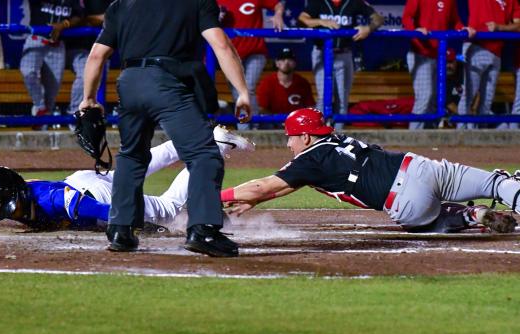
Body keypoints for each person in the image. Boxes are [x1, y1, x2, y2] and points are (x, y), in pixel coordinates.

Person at [80, 0, 252, 257]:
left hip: (129, 82)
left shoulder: (120, 5)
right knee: (203, 154)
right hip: (167, 82)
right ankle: (203, 230)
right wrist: (242, 92)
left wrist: (89, 99)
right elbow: (221, 45)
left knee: (131, 156)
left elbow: (96, 55)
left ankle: (120, 230)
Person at [222, 108, 520, 235]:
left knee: (422, 223)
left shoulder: (309, 160)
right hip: (422, 166)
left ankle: (469, 216)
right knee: (497, 182)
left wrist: (215, 193)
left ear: (306, 137)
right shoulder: (335, 139)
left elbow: (263, 185)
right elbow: (285, 186)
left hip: (406, 200)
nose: (288, 142)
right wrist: (257, 201)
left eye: (291, 136)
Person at [0, 127, 255, 230]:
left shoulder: (59, 202)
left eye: (11, 206)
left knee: (168, 209)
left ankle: (212, 151)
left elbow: (111, 215)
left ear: (21, 192)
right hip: (82, 179)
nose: (9, 212)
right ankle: (205, 136)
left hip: (94, 197)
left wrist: (149, 228)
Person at [298, 0, 384, 130]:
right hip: (322, 53)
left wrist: (369, 28)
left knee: (342, 100)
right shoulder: (319, 3)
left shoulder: (354, 2)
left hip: (344, 54)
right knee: (323, 98)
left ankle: (337, 135)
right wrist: (321, 21)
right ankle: (318, 134)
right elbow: (303, 18)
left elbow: (378, 18)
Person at [402, 0, 473, 130]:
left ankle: (429, 136)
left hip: (439, 56)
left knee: (435, 100)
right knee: (424, 97)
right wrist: (415, 32)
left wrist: (462, 28)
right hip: (420, 53)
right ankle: (413, 137)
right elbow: (407, 18)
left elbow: (455, 21)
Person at [217, 0, 285, 130]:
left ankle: (251, 127)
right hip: (230, 55)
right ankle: (246, 128)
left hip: (256, 52)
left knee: (248, 88)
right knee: (238, 91)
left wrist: (278, 14)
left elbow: (278, 4)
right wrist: (215, 16)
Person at [21, 0, 83, 130]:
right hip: (36, 40)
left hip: (56, 46)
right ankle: (39, 106)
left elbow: (79, 15)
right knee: (28, 71)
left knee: (51, 93)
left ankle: (42, 131)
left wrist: (64, 24)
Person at [457, 0, 520, 129]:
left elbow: (519, 25)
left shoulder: (511, 1)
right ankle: (461, 133)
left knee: (487, 99)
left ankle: (481, 135)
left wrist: (499, 27)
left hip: (497, 51)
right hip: (477, 46)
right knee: (468, 96)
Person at [64, 0, 113, 119]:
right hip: (76, 48)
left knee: (98, 79)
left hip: (101, 50)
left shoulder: (112, 3)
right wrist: (98, 19)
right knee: (84, 75)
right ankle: (74, 113)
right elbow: (78, 19)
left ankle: (91, 117)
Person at [256, 48, 315, 128]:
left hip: (297, 123)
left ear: (295, 63)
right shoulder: (267, 82)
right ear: (277, 63)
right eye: (282, 59)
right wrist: (278, 121)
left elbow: (309, 106)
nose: (286, 62)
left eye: (290, 59)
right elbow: (262, 109)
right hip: (274, 123)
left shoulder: (302, 82)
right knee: (265, 123)